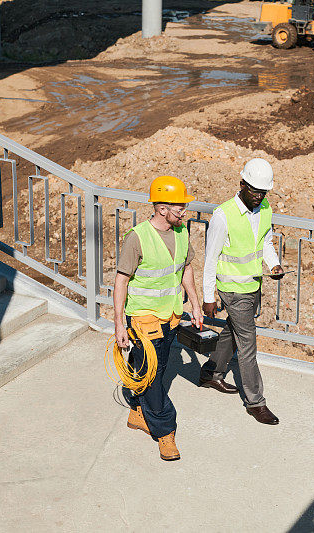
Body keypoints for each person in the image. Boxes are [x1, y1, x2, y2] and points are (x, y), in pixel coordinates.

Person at [113, 175, 203, 461]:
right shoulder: (137, 237)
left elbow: (185, 268)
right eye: (179, 208)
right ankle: (165, 430)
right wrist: (118, 324)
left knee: (154, 368)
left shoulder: (181, 232)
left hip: (170, 316)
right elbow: (121, 281)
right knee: (152, 378)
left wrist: (197, 305)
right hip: (142, 318)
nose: (184, 212)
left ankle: (137, 413)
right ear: (162, 208)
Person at [200, 158, 284, 425]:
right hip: (232, 290)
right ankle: (255, 402)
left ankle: (210, 373)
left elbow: (265, 242)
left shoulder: (265, 208)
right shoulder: (223, 215)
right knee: (247, 343)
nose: (259, 196)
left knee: (233, 331)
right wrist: (208, 297)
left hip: (253, 284)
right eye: (254, 191)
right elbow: (210, 258)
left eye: (263, 192)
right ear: (242, 185)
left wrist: (274, 263)